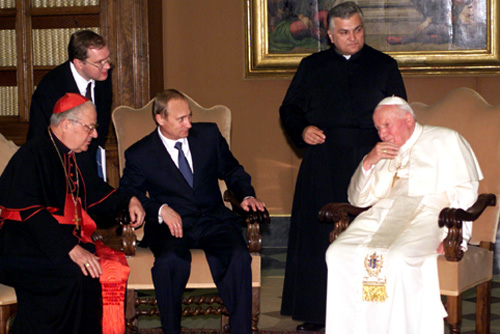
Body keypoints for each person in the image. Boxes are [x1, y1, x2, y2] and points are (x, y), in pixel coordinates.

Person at [279, 1, 406, 330]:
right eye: (345, 32)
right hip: (323, 160)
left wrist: (387, 146)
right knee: (319, 237)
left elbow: (400, 114)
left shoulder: (384, 65)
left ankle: (373, 312)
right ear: (330, 35)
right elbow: (289, 109)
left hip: (371, 160)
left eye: (359, 30)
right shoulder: (311, 66)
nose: (354, 38)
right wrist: (303, 129)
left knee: (371, 237)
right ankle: (318, 313)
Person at [325, 96, 482, 333]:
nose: (381, 133)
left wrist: (455, 237)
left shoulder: (445, 139)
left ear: (408, 119)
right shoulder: (382, 151)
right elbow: (358, 200)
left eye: (386, 125)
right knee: (338, 252)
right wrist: (369, 160)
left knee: (398, 257)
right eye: (378, 127)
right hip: (382, 212)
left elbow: (465, 192)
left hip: (431, 214)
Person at [119, 89, 266, 334]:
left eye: (189, 116)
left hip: (213, 220)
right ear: (160, 119)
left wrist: (247, 195)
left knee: (238, 256)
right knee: (169, 262)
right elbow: (126, 193)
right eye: (181, 119)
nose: (188, 123)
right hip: (171, 227)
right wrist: (160, 209)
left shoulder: (208, 136)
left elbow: (232, 170)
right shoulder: (140, 153)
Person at [0, 93, 145, 334]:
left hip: (54, 242)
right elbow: (31, 212)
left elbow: (96, 194)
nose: (96, 135)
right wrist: (69, 248)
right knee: (75, 276)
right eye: (90, 128)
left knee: (90, 272)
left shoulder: (74, 155)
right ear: (66, 125)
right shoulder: (32, 155)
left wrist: (128, 200)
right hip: (20, 246)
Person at [27, 29, 112, 172]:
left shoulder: (103, 78)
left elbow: (101, 126)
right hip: (57, 166)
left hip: (90, 162)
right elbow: (41, 138)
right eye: (100, 62)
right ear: (79, 63)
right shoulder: (51, 87)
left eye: (108, 59)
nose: (108, 66)